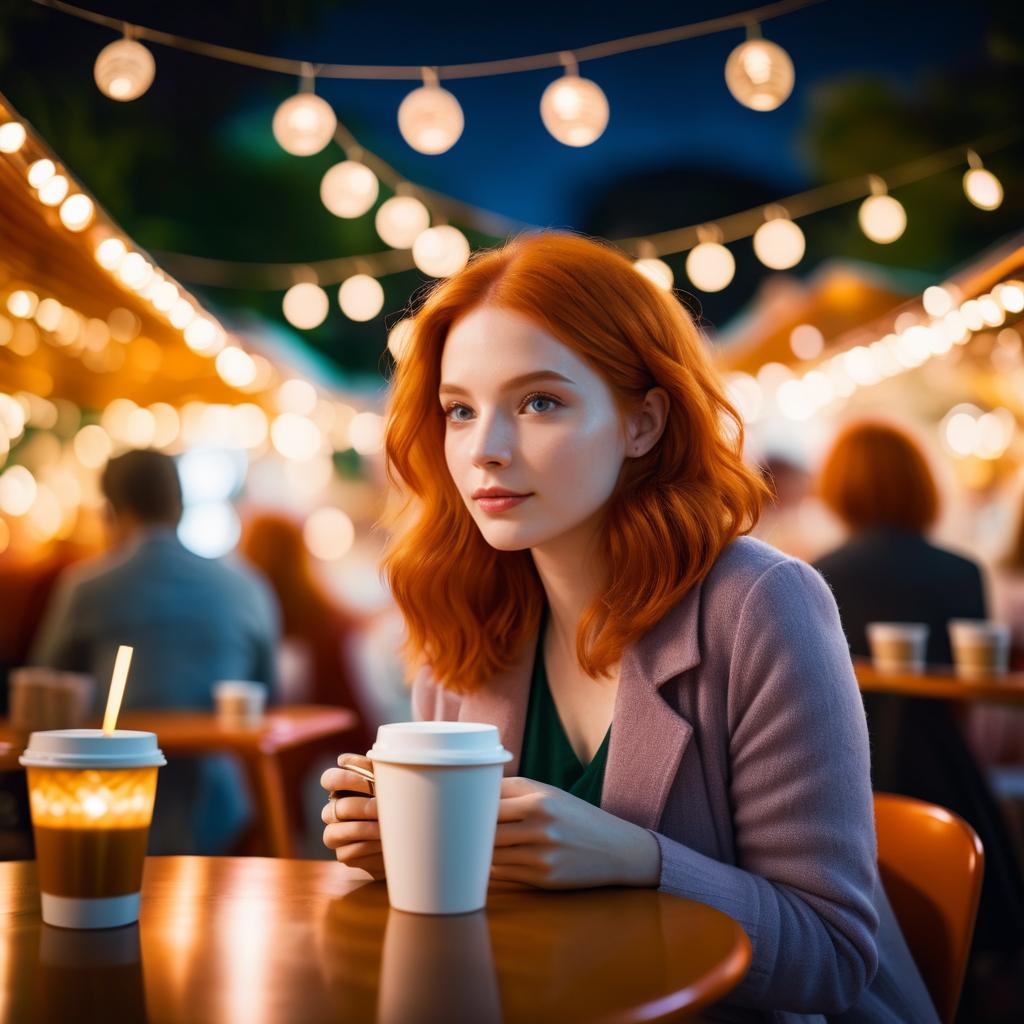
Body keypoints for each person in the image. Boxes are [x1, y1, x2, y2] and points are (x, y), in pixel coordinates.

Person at [321, 233, 936, 1022]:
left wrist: (639, 861)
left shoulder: (762, 606)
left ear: (643, 422)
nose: (486, 450)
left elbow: (831, 956)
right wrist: (404, 853)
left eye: (540, 402)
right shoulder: (462, 615)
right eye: (459, 411)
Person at [812, 421, 1024, 962]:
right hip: (945, 773)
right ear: (923, 484)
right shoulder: (961, 572)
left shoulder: (819, 574)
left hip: (845, 777)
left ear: (839, 486)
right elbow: (966, 694)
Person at [31, 448, 280, 854]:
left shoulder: (86, 588)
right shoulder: (247, 586)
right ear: (179, 507)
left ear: (112, 511)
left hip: (108, 803)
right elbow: (268, 693)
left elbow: (48, 690)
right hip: (222, 812)